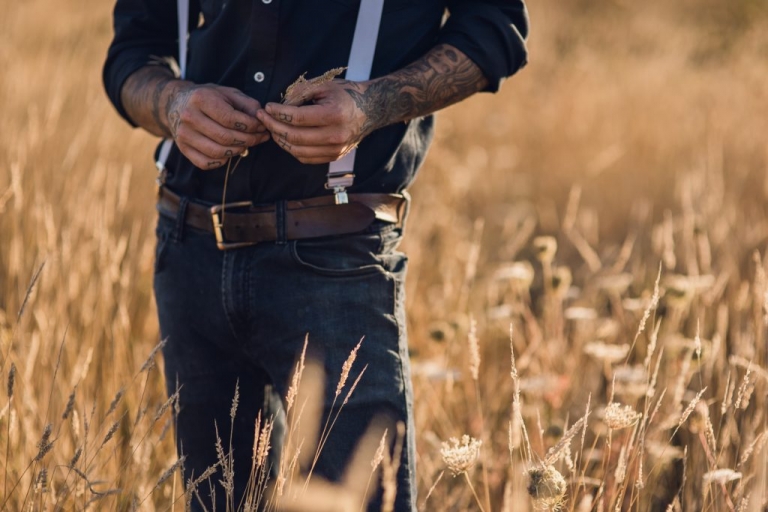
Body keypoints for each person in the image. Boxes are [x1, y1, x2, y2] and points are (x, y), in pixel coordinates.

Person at [103, 1, 528, 510]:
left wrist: (372, 105)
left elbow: (494, 29)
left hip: (336, 262)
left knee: (362, 499)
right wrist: (173, 104)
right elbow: (133, 52)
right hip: (190, 248)